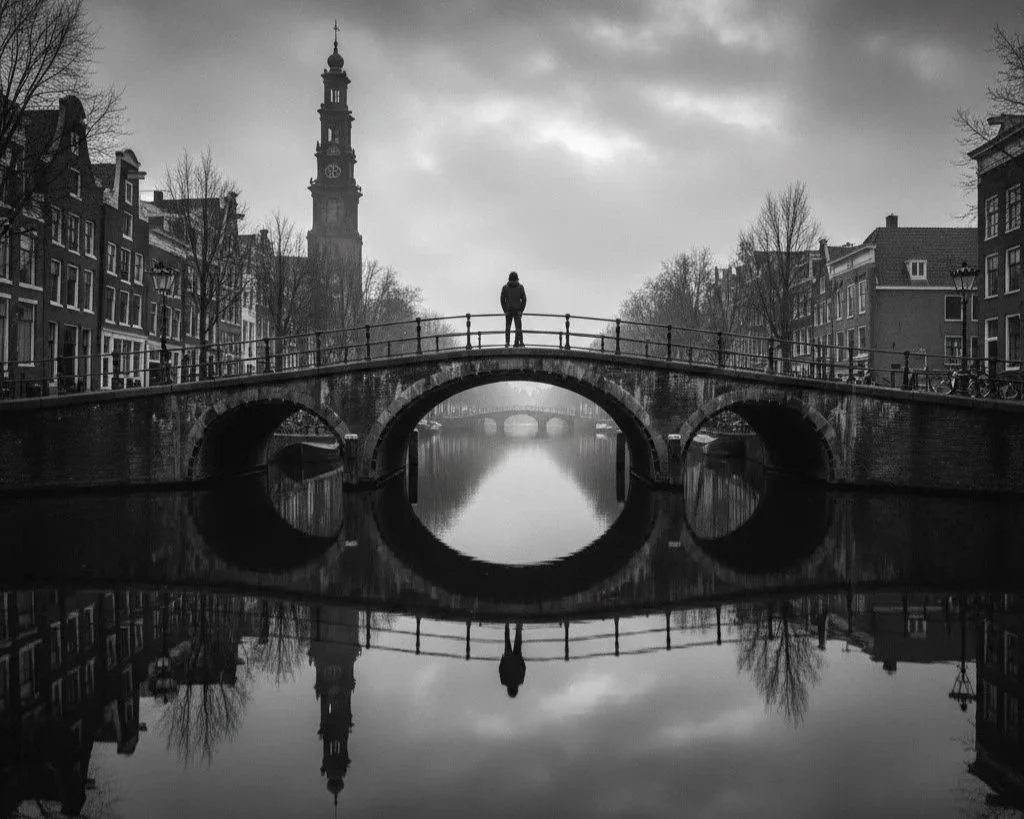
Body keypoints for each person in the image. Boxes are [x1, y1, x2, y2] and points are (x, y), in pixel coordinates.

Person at [500, 271, 527, 347]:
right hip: (517, 310)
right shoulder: (520, 287)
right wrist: (521, 310)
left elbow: (502, 300)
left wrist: (505, 310)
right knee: (518, 327)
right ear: (516, 279)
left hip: (508, 310)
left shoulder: (505, 288)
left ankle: (507, 342)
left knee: (508, 327)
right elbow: (524, 299)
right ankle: (518, 343)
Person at [499, 623, 526, 697]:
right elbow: (501, 669)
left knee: (518, 640)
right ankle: (507, 624)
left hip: (517, 659)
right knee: (507, 640)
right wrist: (502, 659)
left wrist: (521, 660)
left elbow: (524, 668)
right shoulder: (504, 681)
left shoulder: (520, 681)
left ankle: (519, 625)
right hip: (507, 659)